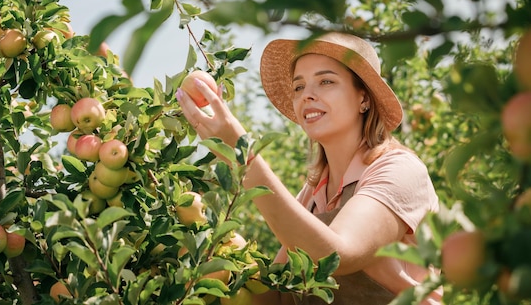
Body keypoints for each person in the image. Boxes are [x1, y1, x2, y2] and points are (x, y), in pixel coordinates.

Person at [175, 32, 442, 305]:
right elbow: (275, 294)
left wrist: (243, 153)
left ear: (364, 98)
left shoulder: (398, 170)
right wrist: (218, 251)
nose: (307, 96)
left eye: (326, 81)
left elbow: (336, 256)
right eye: (299, 87)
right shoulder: (314, 193)